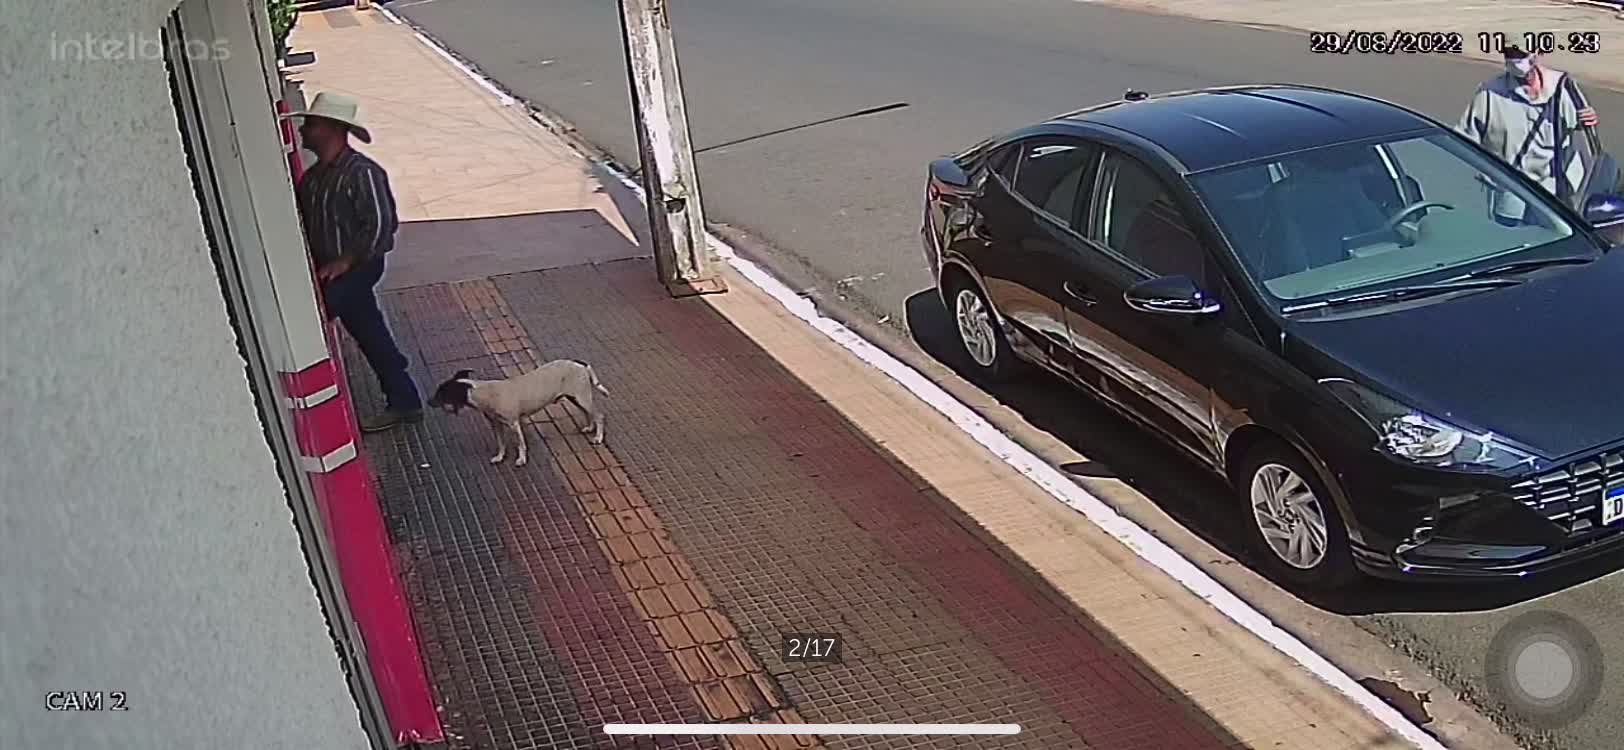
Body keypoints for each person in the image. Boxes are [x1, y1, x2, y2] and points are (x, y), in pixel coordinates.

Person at [288, 92, 423, 432]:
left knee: (316, 320)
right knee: (370, 332)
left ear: (332, 129)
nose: (304, 131)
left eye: (312, 124)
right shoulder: (314, 179)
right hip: (331, 270)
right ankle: (404, 399)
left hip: (357, 269)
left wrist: (345, 262)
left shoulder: (363, 173)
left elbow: (380, 226)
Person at [1456, 45, 1600, 225]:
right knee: (1511, 241)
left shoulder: (1562, 86)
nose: (1515, 60)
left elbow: (1578, 123)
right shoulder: (1490, 93)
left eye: (1520, 54)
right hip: (1511, 191)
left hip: (1553, 193)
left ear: (1538, 54)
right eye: (1510, 54)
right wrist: (1488, 175)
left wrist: (1586, 119)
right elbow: (1464, 139)